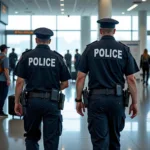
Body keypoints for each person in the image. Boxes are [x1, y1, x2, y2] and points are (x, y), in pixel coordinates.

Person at [75, 18, 139, 150]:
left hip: (96, 100)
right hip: (117, 100)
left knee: (99, 141)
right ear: (114, 31)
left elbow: (81, 77)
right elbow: (131, 79)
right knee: (115, 139)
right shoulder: (123, 49)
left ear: (100, 31)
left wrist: (78, 100)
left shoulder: (90, 49)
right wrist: (135, 102)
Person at [14, 27, 71, 150]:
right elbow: (66, 83)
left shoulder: (26, 56)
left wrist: (17, 102)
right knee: (51, 137)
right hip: (51, 102)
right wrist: (54, 89)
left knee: (31, 136)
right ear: (49, 41)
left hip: (31, 102)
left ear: (36, 40)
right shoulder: (57, 58)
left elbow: (19, 82)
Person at [0, 44, 10, 117]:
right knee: (3, 96)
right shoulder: (5, 58)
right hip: (3, 80)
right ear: (5, 49)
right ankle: (0, 111)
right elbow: (6, 69)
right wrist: (8, 79)